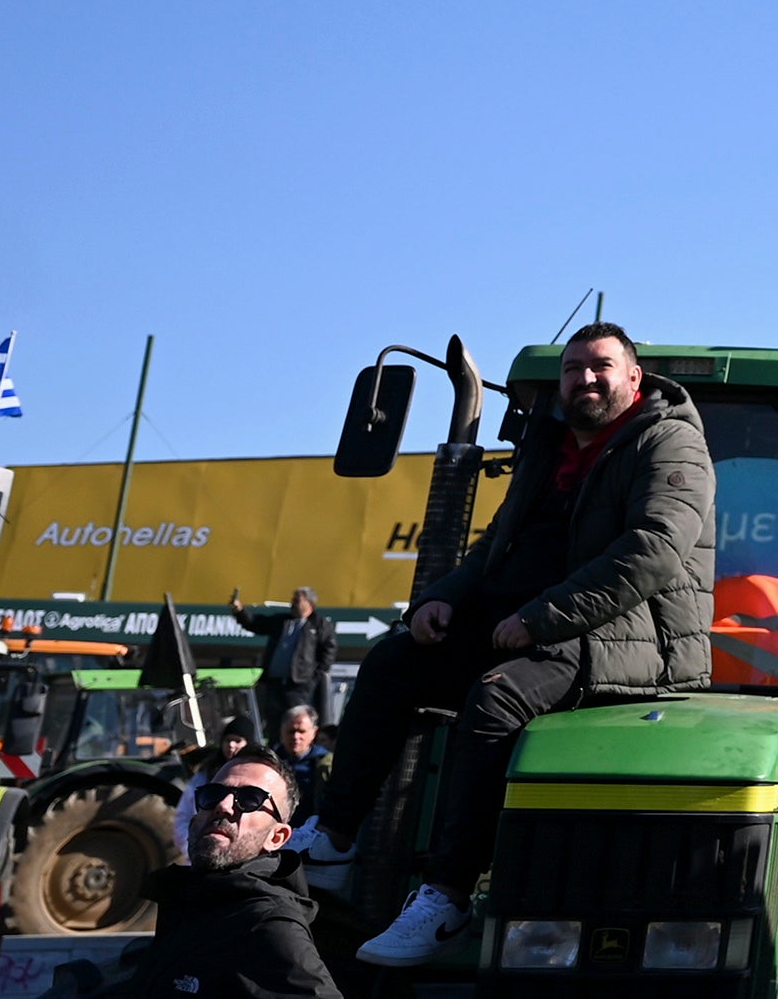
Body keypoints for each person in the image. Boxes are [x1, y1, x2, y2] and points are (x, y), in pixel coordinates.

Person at [295, 325, 714, 964]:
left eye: (602, 366)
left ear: (635, 378)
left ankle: (446, 896)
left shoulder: (668, 441)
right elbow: (497, 545)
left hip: (623, 635)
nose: (586, 379)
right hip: (529, 624)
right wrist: (443, 597)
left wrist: (542, 618)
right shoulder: (548, 449)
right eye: (574, 369)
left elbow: (653, 551)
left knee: (493, 700)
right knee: (394, 661)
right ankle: (336, 838)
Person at [78, 750, 335, 999]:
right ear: (192, 820)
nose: (223, 806)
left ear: (277, 837)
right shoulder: (190, 900)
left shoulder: (267, 924)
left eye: (249, 799)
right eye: (213, 794)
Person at [242, 586, 334, 734]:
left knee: (295, 721)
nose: (292, 603)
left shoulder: (319, 625)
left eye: (297, 600)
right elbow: (256, 623)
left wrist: (313, 676)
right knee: (273, 722)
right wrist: (241, 612)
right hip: (275, 683)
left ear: (309, 603)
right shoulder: (282, 621)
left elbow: (328, 652)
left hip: (299, 686)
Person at [271, 701, 330, 815]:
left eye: (301, 731)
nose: (296, 737)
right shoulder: (269, 762)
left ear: (314, 732)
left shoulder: (325, 763)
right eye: (291, 732)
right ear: (281, 731)